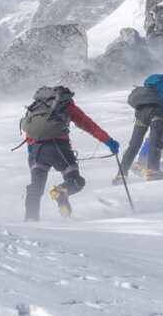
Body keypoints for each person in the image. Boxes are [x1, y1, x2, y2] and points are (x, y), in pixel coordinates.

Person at [20, 85, 118, 221]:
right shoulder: (66, 105)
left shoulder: (36, 107)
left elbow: (29, 132)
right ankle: (63, 190)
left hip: (36, 151)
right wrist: (109, 142)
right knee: (76, 180)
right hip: (58, 148)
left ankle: (31, 220)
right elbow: (89, 125)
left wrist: (32, 154)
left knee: (36, 188)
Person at [115, 73, 163, 182]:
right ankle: (153, 170)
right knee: (155, 142)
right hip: (157, 113)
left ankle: (121, 174)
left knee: (134, 145)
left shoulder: (153, 84)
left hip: (141, 112)